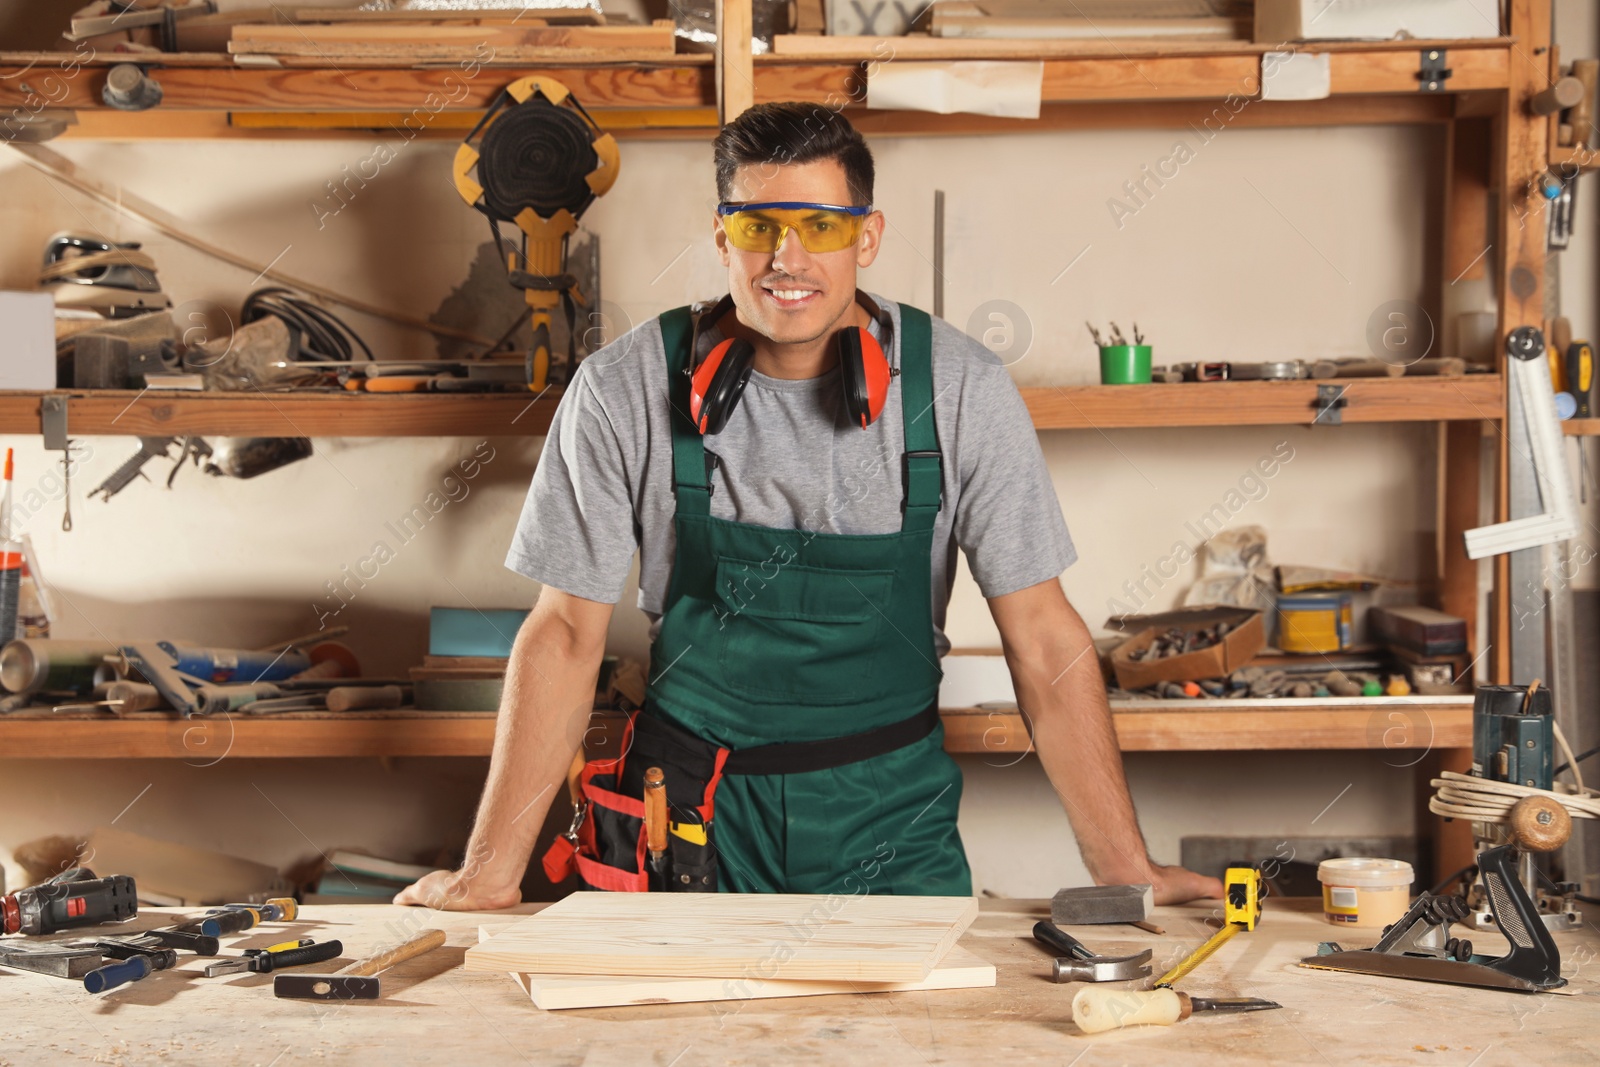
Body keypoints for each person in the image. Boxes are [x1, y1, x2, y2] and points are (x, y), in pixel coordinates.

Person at [398, 102, 1222, 908]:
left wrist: (1126, 864)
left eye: (820, 227)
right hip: (689, 822)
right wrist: (489, 874)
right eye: (758, 228)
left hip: (891, 825)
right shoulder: (623, 389)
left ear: (866, 235)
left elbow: (1043, 636)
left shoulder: (962, 390)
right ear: (723, 236)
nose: (786, 258)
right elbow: (566, 634)